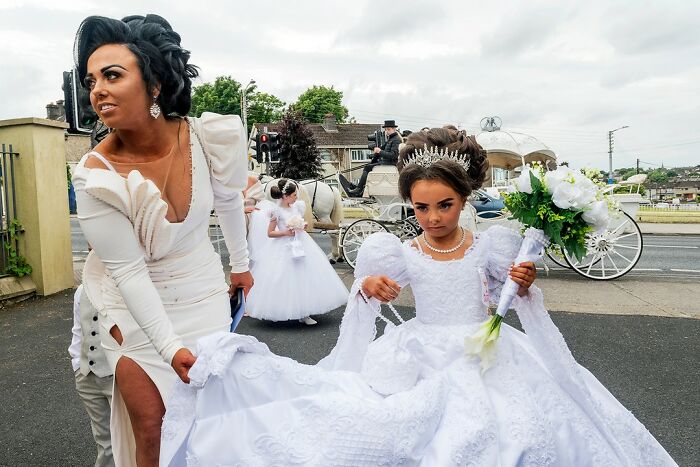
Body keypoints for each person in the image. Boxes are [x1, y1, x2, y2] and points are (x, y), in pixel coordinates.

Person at [160, 127, 677, 466]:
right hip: (419, 355)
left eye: (445, 205)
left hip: (488, 353)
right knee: (402, 430)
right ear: (410, 203)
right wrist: (368, 288)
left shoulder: (492, 247)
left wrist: (521, 286)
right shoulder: (397, 251)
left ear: (465, 199)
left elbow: (507, 299)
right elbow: (366, 299)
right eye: (422, 206)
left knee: (513, 432)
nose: (433, 218)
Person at [71, 14, 252, 466]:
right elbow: (127, 271)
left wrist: (241, 264)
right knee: (150, 427)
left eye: (112, 75)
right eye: (91, 80)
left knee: (205, 420)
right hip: (131, 304)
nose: (97, 90)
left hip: (202, 290)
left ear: (153, 84)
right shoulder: (95, 175)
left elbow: (229, 200)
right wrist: (170, 349)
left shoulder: (208, 136)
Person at [245, 178, 348, 325]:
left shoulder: (297, 207)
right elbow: (270, 233)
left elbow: (301, 222)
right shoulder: (276, 211)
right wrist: (285, 233)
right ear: (285, 196)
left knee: (305, 277)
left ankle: (305, 313)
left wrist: (302, 225)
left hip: (302, 244)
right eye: (293, 195)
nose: (296, 197)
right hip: (283, 247)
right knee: (283, 278)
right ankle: (282, 309)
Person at [68, 283, 114, 467]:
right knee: (103, 440)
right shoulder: (82, 290)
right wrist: (77, 366)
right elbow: (78, 331)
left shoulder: (128, 287)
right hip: (87, 376)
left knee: (128, 439)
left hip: (119, 379)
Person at [339, 119, 401, 197]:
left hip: (390, 164)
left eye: (388, 129)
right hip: (386, 162)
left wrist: (379, 151)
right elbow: (381, 149)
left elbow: (393, 155)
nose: (387, 131)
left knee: (368, 167)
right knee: (368, 166)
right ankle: (359, 188)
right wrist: (375, 157)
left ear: (394, 129)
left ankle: (358, 190)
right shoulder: (391, 139)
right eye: (386, 129)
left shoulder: (396, 140)